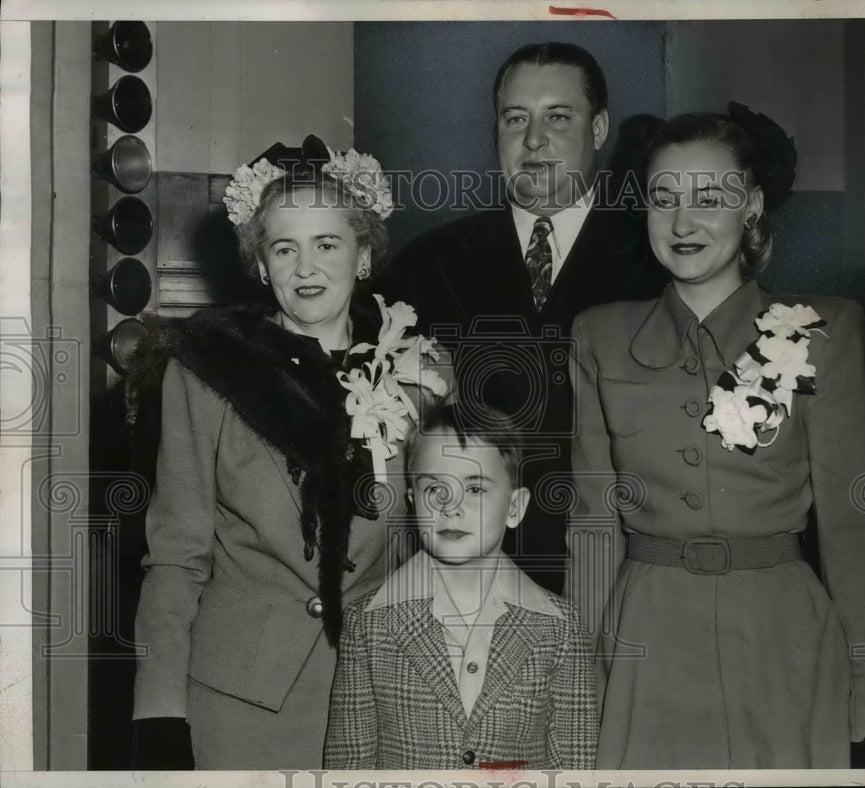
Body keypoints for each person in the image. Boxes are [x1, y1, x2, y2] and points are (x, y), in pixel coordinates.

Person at [567, 109, 865, 768]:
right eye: (664, 199)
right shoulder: (599, 336)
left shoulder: (818, 331)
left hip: (784, 640)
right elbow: (592, 526)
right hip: (645, 639)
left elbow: (853, 525)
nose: (682, 222)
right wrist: (585, 676)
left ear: (749, 205)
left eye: (708, 198)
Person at [126, 136, 448, 769]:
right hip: (240, 699)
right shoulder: (206, 373)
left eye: (327, 244)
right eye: (284, 248)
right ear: (261, 264)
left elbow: (437, 548)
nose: (306, 269)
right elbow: (175, 556)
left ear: (362, 256)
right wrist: (159, 711)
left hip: (383, 691)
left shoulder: (420, 372)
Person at [385, 42, 667, 594]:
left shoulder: (658, 263)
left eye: (558, 117)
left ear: (600, 126)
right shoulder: (424, 264)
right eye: (516, 118)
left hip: (613, 581)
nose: (533, 140)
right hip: (460, 584)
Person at [323, 401, 597, 769]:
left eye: (476, 489)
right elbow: (348, 769)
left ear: (515, 508)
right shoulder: (367, 625)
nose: (451, 506)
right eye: (435, 488)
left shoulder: (560, 627)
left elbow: (574, 767)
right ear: (412, 503)